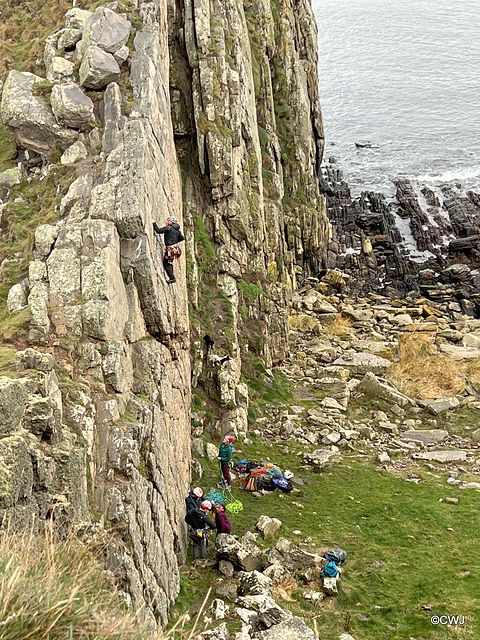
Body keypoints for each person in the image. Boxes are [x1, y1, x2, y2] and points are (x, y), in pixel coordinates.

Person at [153, 216, 185, 284]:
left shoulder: (169, 228)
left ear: (171, 222)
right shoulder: (177, 230)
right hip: (175, 249)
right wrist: (174, 241)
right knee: (169, 262)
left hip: (170, 249)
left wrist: (154, 223)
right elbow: (182, 238)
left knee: (166, 263)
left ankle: (172, 278)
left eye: (167, 221)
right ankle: (171, 277)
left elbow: (158, 231)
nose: (166, 222)